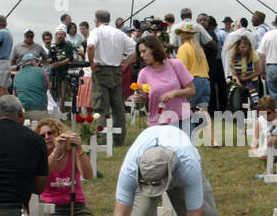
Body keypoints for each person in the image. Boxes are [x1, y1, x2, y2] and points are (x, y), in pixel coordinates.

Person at [36, 118, 105, 216]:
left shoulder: (72, 152)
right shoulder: (40, 156)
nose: (47, 137)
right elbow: (45, 173)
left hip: (76, 206)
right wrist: (56, 151)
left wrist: (79, 148)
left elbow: (88, 175)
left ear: (58, 133)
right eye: (42, 135)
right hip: (53, 209)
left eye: (50, 133)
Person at [87, 9, 136, 146]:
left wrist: (92, 63)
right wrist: (126, 62)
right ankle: (119, 139)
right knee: (118, 106)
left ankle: (101, 140)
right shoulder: (119, 33)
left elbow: (90, 46)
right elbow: (136, 48)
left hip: (100, 69)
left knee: (101, 106)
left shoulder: (96, 32)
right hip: (116, 70)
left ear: (96, 20)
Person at [137, 34, 194, 129]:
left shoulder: (176, 64)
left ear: (154, 49)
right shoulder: (143, 73)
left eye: (144, 51)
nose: (142, 55)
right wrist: (138, 99)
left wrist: (175, 93)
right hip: (157, 124)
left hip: (182, 121)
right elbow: (142, 101)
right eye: (140, 53)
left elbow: (191, 90)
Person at [175, 22, 212, 141]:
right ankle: (212, 140)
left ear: (182, 35)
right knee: (204, 111)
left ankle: (187, 138)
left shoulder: (183, 48)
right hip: (205, 80)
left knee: (186, 111)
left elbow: (181, 68)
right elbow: (207, 68)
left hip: (192, 81)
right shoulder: (199, 49)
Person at [249, 95, 277, 159]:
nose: (265, 116)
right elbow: (255, 141)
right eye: (262, 113)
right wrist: (257, 153)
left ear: (274, 110)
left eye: (268, 113)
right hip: (268, 151)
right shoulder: (259, 121)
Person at [226, 32, 264, 105]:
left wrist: (245, 78)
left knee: (255, 103)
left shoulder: (253, 54)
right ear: (238, 47)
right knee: (236, 103)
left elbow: (259, 71)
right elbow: (234, 74)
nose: (245, 49)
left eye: (246, 47)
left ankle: (255, 115)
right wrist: (237, 81)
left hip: (251, 81)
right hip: (238, 80)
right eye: (242, 47)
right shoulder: (233, 56)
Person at [46, 28, 77, 108]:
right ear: (56, 35)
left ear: (65, 35)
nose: (60, 36)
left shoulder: (68, 46)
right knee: (53, 96)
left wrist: (58, 63)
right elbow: (48, 60)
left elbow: (69, 58)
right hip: (53, 75)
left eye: (62, 34)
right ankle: (55, 114)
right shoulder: (52, 46)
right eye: (58, 34)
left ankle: (64, 114)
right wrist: (53, 58)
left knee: (63, 97)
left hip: (64, 74)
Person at [12, 53, 49, 117]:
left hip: (23, 112)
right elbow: (47, 86)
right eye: (36, 61)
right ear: (32, 61)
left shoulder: (17, 75)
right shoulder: (41, 71)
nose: (37, 63)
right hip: (40, 110)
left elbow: (15, 95)